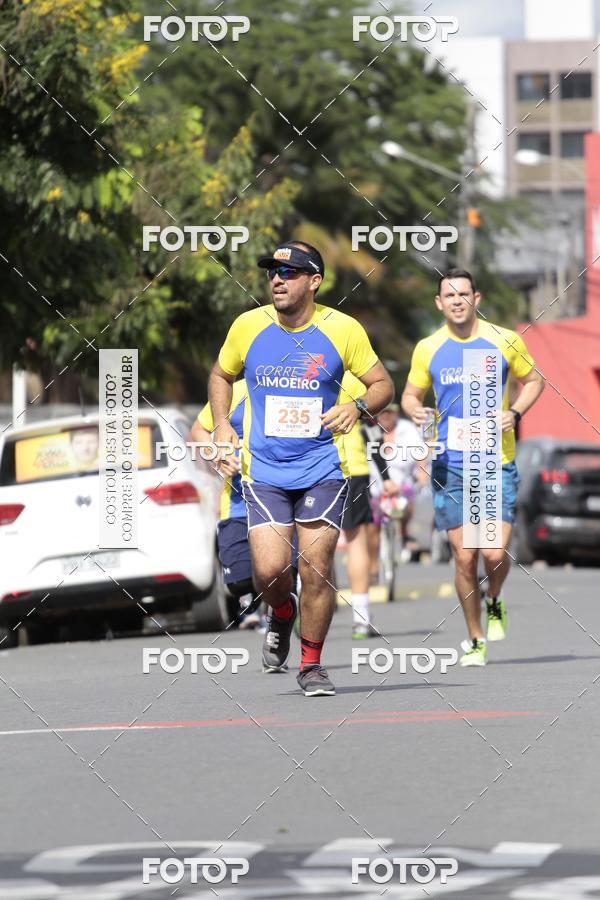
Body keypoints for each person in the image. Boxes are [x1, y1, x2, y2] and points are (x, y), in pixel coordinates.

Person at [208, 239, 394, 696]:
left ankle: (311, 664)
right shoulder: (247, 326)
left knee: (316, 567)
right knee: (270, 572)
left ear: (314, 281)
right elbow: (220, 375)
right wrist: (219, 426)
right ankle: (281, 612)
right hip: (264, 470)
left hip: (321, 468)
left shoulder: (343, 330)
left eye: (288, 273)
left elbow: (382, 384)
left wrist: (355, 406)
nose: (276, 279)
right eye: (272, 271)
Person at [401, 268, 544, 667]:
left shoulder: (503, 340)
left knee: (494, 554)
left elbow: (534, 381)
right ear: (439, 303)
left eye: (464, 294)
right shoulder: (428, 347)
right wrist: (422, 417)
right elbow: (411, 396)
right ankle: (475, 637)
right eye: (450, 295)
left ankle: (494, 598)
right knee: (465, 558)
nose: (457, 301)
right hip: (451, 465)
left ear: (476, 299)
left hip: (495, 461)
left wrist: (514, 412)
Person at [192, 380, 261, 628]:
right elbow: (198, 430)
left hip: (282, 498)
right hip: (237, 503)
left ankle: (282, 610)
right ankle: (253, 605)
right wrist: (217, 455)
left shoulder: (292, 385)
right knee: (239, 579)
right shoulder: (236, 391)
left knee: (278, 568)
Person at [338, 371, 379, 639]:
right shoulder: (355, 379)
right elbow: (373, 428)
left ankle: (296, 608)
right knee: (356, 542)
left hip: (300, 466)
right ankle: (361, 618)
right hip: (350, 467)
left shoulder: (290, 370)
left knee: (308, 542)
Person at [367, 403, 428, 564]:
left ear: (396, 414)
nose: (385, 416)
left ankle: (403, 533)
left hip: (402, 481)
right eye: (382, 413)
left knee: (406, 500)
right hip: (375, 484)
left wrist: (422, 471)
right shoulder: (370, 429)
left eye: (389, 413)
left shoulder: (406, 428)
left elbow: (420, 451)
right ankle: (373, 561)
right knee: (372, 521)